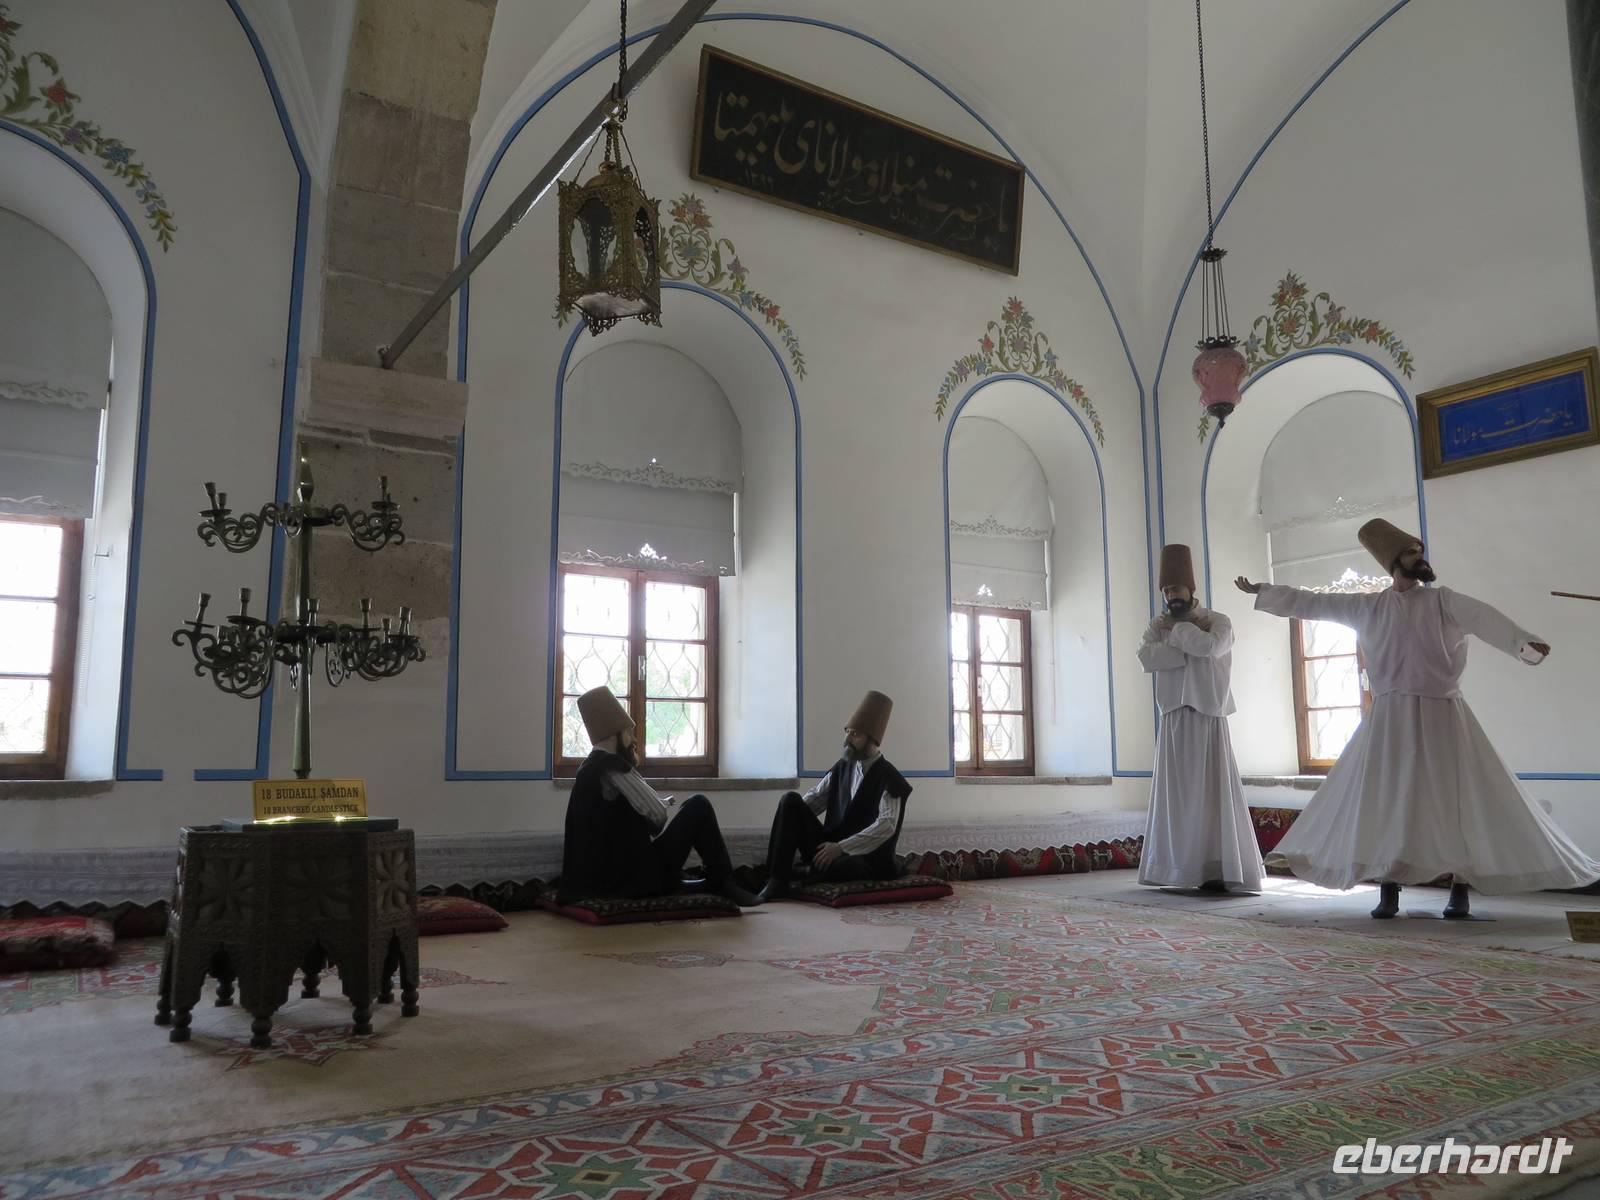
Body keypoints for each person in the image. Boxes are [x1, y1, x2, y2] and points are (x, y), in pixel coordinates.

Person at [1236, 518, 1599, 918]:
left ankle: (1460, 889)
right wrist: (1267, 592)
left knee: (1458, 801)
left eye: (1419, 550)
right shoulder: (1369, 607)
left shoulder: (1443, 601)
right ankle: (1388, 887)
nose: (1419, 557)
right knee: (1387, 801)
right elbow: (1316, 604)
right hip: (1389, 720)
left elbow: (1485, 618)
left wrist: (1522, 642)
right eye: (1411, 552)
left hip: (1443, 713)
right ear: (1393, 561)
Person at [557, 687, 761, 907]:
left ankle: (705, 881)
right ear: (616, 734)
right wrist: (658, 808)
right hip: (630, 881)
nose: (633, 740)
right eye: (629, 733)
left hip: (598, 881)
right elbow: (657, 818)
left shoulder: (587, 769)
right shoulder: (613, 767)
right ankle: (723, 882)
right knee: (697, 806)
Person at [1137, 544, 1263, 894]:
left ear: (1191, 589)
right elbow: (1147, 658)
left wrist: (1179, 632)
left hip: (1209, 716)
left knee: (1211, 796)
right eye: (1166, 591)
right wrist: (1184, 642)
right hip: (1174, 717)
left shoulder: (1218, 621)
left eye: (1176, 589)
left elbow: (1210, 648)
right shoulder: (1157, 625)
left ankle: (1217, 869)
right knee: (1178, 799)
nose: (1171, 596)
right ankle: (1178, 870)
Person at [760, 691, 912, 901]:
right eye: (847, 732)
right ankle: (776, 880)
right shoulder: (843, 767)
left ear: (872, 739)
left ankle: (804, 872)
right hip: (830, 848)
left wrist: (841, 848)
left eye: (855, 734)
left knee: (850, 866)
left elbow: (886, 826)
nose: (847, 740)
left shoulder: (889, 777)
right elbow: (814, 799)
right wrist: (791, 821)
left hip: (863, 856)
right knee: (790, 801)